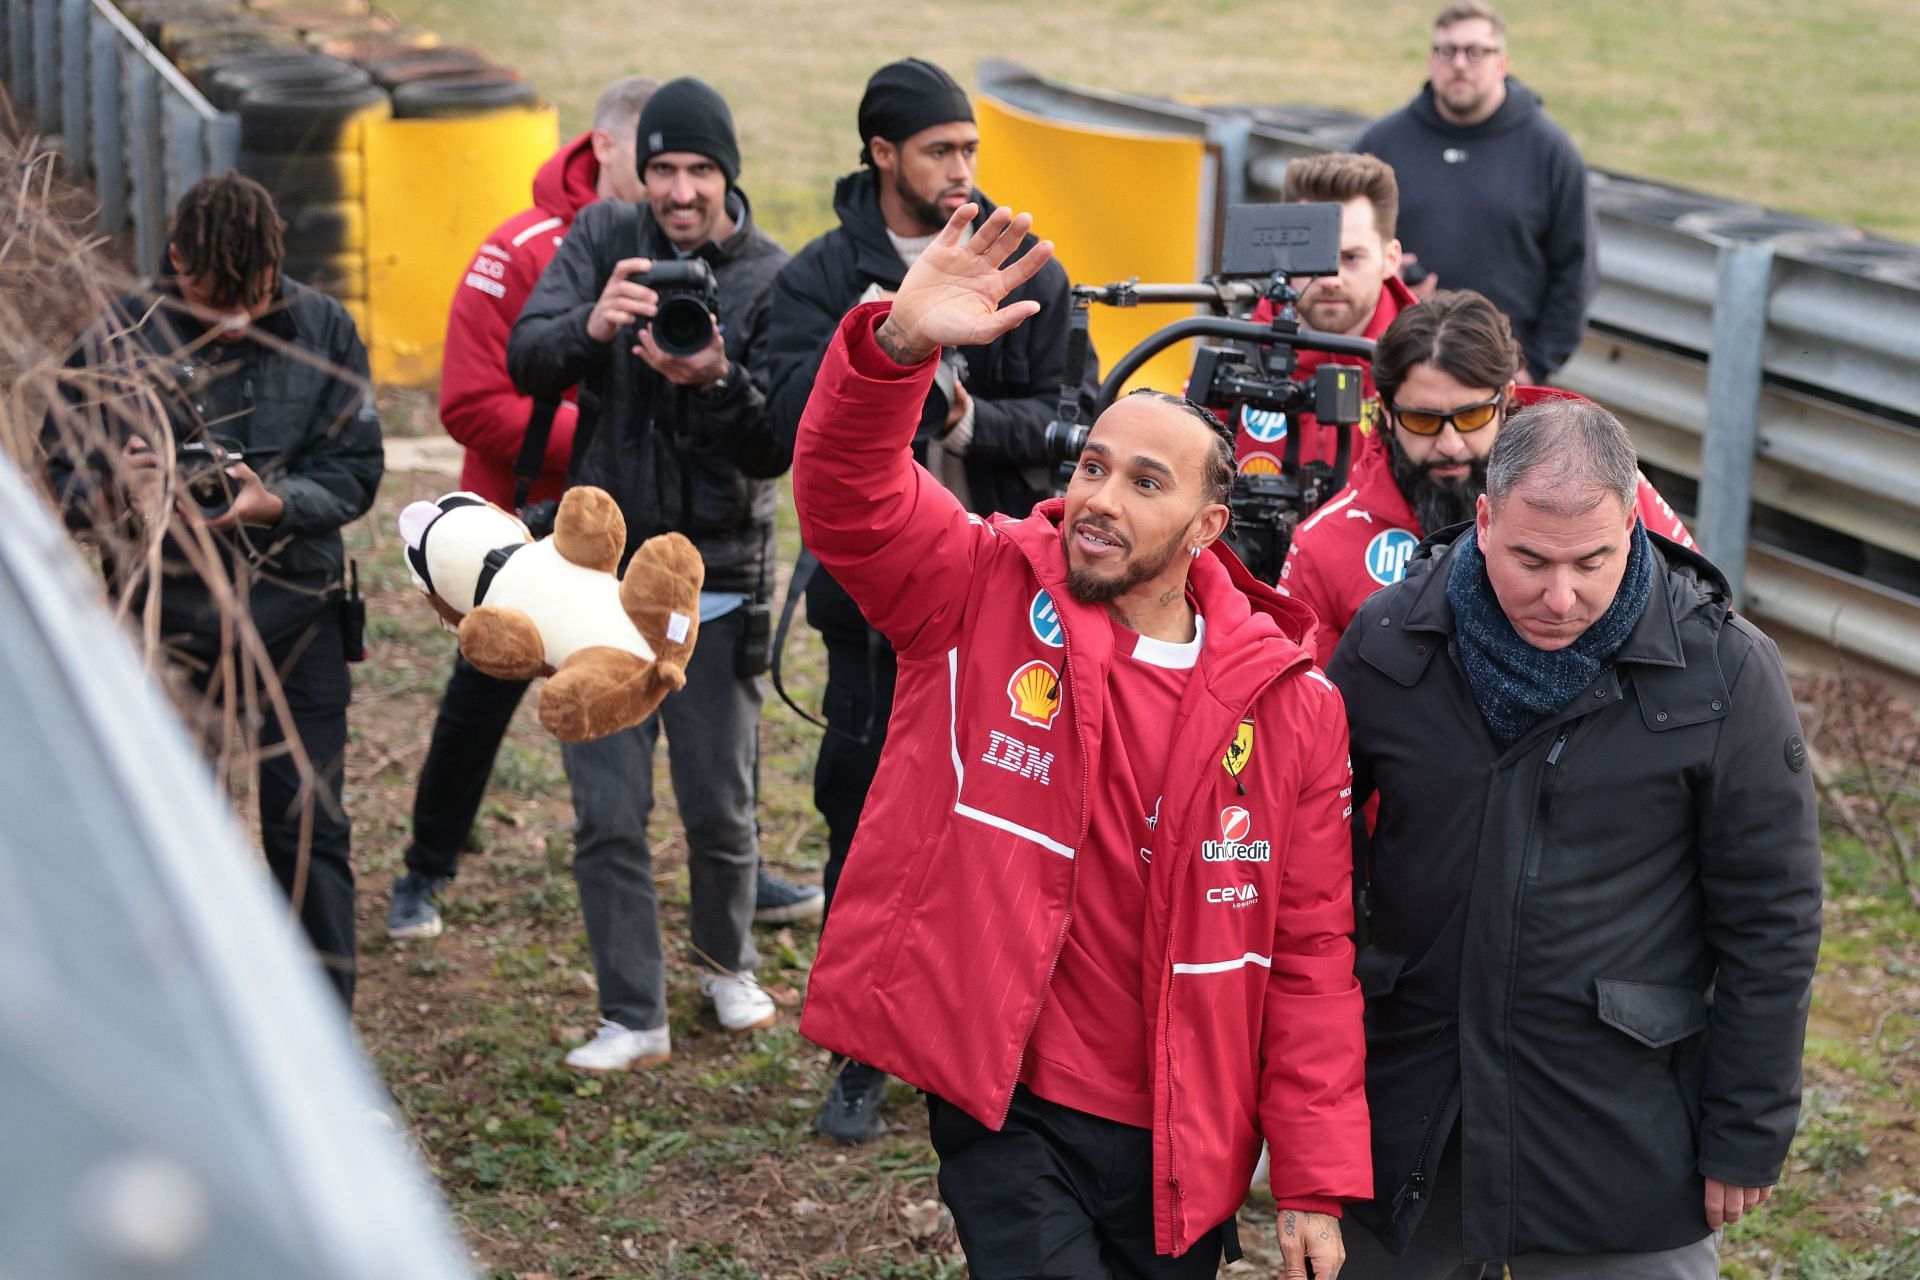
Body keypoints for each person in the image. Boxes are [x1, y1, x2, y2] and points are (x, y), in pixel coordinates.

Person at [793, 202, 1368, 1278]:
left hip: (1187, 1136)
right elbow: (846, 500)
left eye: (1146, 483)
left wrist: (1311, 1176)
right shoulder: (982, 586)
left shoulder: (1294, 706)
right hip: (1013, 1109)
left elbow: (1311, 955)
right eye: (1094, 465)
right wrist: (897, 351)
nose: (1098, 499)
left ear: (1207, 528)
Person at [1326, 398, 1822, 1277]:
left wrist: (1746, 1126)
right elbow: (1312, 871)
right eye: (1529, 559)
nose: (1561, 597)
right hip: (1411, 1113)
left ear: (1634, 522)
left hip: (1622, 1127)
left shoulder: (1727, 672)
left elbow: (1772, 920)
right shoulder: (1389, 642)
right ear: (1483, 519)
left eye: (1593, 560)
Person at [759, 56, 1096, 1145]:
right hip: (871, 602)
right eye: (940, 150)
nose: (962, 172)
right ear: (882, 154)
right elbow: (778, 426)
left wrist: (964, 425)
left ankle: (1004, 1027)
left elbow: (1077, 410)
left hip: (1004, 602)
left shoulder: (1022, 257)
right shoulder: (821, 275)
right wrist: (887, 355)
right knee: (861, 798)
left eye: (971, 149)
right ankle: (864, 1050)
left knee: (1010, 811)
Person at [506, 77, 792, 1071]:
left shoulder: (768, 277)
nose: (678, 190)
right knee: (607, 811)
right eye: (663, 167)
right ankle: (632, 1010)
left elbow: (774, 448)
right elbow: (525, 358)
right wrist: (592, 324)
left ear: (728, 175)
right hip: (598, 574)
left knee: (720, 802)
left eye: (699, 170)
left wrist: (714, 379)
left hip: (716, 575)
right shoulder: (598, 238)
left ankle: (726, 961)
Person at [48, 173, 384, 1006]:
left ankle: (324, 1047)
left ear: (277, 269)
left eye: (253, 299)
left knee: (309, 830)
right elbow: (52, 485)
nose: (234, 319)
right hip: (169, 631)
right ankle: (189, 1035)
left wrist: (271, 502)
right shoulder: (116, 338)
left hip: (299, 620)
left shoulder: (322, 329)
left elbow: (355, 468)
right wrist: (116, 491)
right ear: (175, 261)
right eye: (212, 299)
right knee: (174, 842)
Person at [1280, 290, 1691, 661]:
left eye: (1471, 416)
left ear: (1507, 399)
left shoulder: (1603, 486)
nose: (1451, 445)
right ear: (1385, 412)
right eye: (1423, 420)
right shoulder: (1323, 545)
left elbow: (1699, 620)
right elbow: (1305, 713)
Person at [1355, 1, 1596, 383]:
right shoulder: (1382, 144)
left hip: (1503, 377)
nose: (1460, 64)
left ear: (1502, 62)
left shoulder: (1550, 151)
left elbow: (1575, 270)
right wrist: (1387, 275)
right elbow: (1342, 248)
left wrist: (1535, 366)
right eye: (1446, 51)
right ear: (1431, 60)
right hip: (1396, 370)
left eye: (1475, 52)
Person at [1234, 152, 1416, 474]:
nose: (1331, 279)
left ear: (1391, 259)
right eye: (1314, 257)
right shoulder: (1240, 359)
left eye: (1351, 257)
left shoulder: (1427, 369)